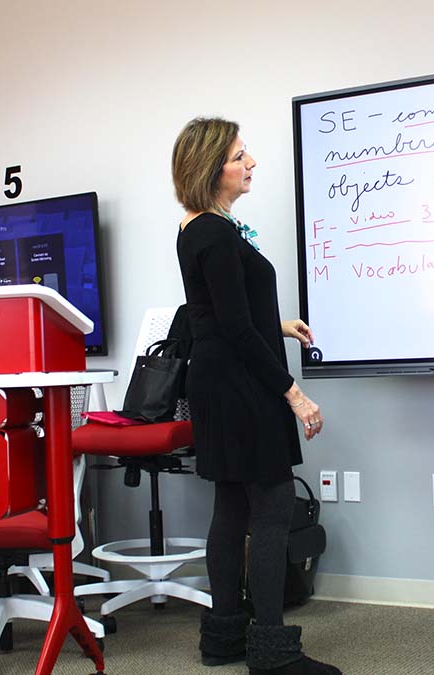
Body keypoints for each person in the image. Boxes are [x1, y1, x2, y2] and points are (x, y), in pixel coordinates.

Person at [173, 117, 341, 675]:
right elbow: (237, 330)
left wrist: (281, 324)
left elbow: (223, 315)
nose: (251, 163)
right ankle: (272, 652)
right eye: (240, 155)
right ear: (209, 167)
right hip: (241, 386)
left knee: (231, 506)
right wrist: (294, 394)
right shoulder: (217, 235)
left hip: (217, 381)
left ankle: (224, 639)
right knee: (269, 509)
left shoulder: (199, 227)